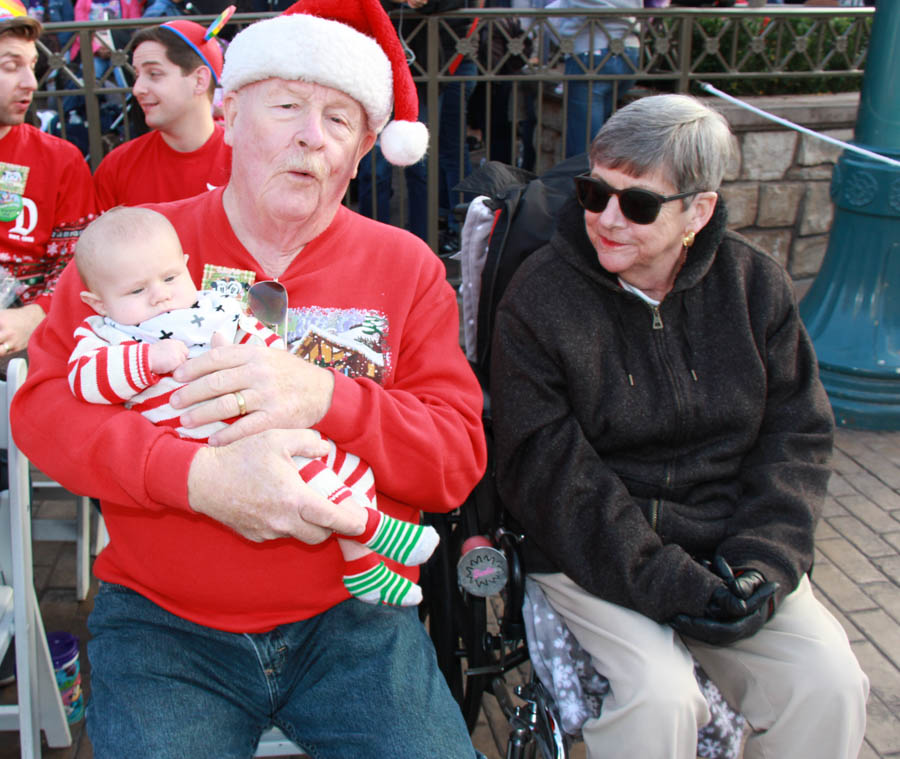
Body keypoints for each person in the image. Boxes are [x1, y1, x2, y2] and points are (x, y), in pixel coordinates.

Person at [12, 0, 485, 755]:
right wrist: (196, 477)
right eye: (288, 106)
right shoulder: (136, 254)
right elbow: (43, 415)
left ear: (365, 149)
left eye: (339, 120)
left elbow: (455, 462)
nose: (310, 136)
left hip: (353, 616)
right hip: (166, 622)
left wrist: (325, 396)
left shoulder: (408, 270)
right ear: (229, 114)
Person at [490, 94, 869, 758]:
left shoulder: (755, 285)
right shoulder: (540, 298)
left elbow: (797, 436)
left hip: (729, 542)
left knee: (829, 682)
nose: (606, 219)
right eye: (593, 191)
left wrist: (763, 564)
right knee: (657, 699)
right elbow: (548, 471)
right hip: (590, 551)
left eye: (637, 205)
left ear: (700, 210)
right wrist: (667, 578)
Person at [69, 206, 440, 606]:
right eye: (136, 291)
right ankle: (375, 529)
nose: (160, 295)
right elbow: (83, 380)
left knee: (345, 466)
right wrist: (148, 360)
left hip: (267, 423)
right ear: (99, 303)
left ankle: (363, 567)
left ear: (186, 267)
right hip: (219, 444)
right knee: (308, 477)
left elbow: (260, 338)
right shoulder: (107, 335)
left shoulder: (209, 310)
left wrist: (265, 360)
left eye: (171, 278)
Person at [0, 0, 96, 357]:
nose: (30, 82)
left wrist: (35, 314)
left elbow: (78, 261)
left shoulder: (60, 158)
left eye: (32, 65)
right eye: (12, 67)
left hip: (29, 337)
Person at [92, 18, 231, 210]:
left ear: (199, 80)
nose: (137, 89)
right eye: (136, 75)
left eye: (154, 74)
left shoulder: (246, 161)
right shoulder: (117, 167)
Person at [547, 0, 642, 158]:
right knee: (601, 139)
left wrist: (564, 37)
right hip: (628, 50)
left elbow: (552, 14)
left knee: (583, 149)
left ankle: (588, 180)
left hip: (590, 52)